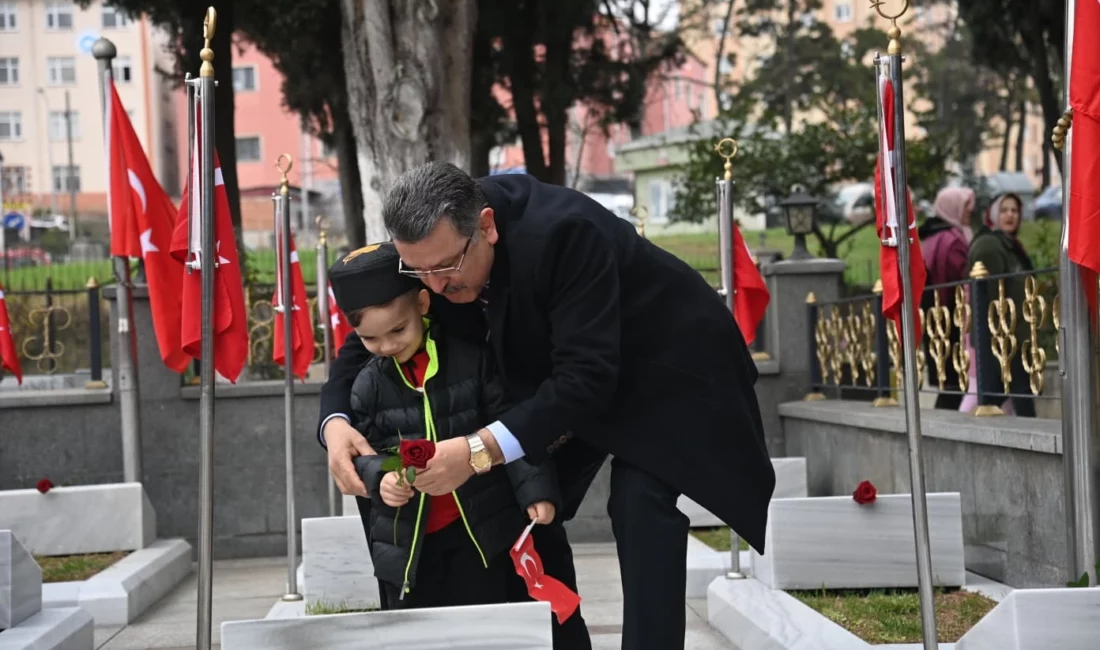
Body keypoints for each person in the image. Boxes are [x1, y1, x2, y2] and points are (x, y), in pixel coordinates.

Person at [318, 162, 775, 650]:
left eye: (445, 269)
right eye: (418, 271)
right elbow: (366, 334)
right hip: (574, 376)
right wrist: (335, 422)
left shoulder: (565, 234)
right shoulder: (435, 250)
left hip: (667, 372)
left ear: (487, 227)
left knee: (640, 504)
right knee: (531, 495)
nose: (432, 287)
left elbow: (586, 379)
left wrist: (475, 451)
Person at [328, 242, 563, 610]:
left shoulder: (473, 361)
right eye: (370, 339)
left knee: (482, 619)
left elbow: (510, 426)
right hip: (408, 541)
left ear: (422, 304)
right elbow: (367, 454)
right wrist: (381, 478)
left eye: (397, 330)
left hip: (478, 532)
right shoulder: (366, 385)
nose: (387, 345)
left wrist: (536, 490)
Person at [961, 192, 1036, 417]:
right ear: (993, 214)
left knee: (1001, 396)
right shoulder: (990, 245)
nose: (1010, 215)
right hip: (1002, 339)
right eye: (1004, 210)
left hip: (1014, 336)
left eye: (1014, 210)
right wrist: (999, 334)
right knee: (1017, 394)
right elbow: (989, 295)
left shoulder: (1010, 245)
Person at [918, 186, 975, 410]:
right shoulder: (951, 241)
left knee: (950, 384)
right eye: (965, 208)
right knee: (955, 384)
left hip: (935, 320)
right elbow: (962, 280)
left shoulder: (931, 237)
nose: (969, 213)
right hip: (953, 322)